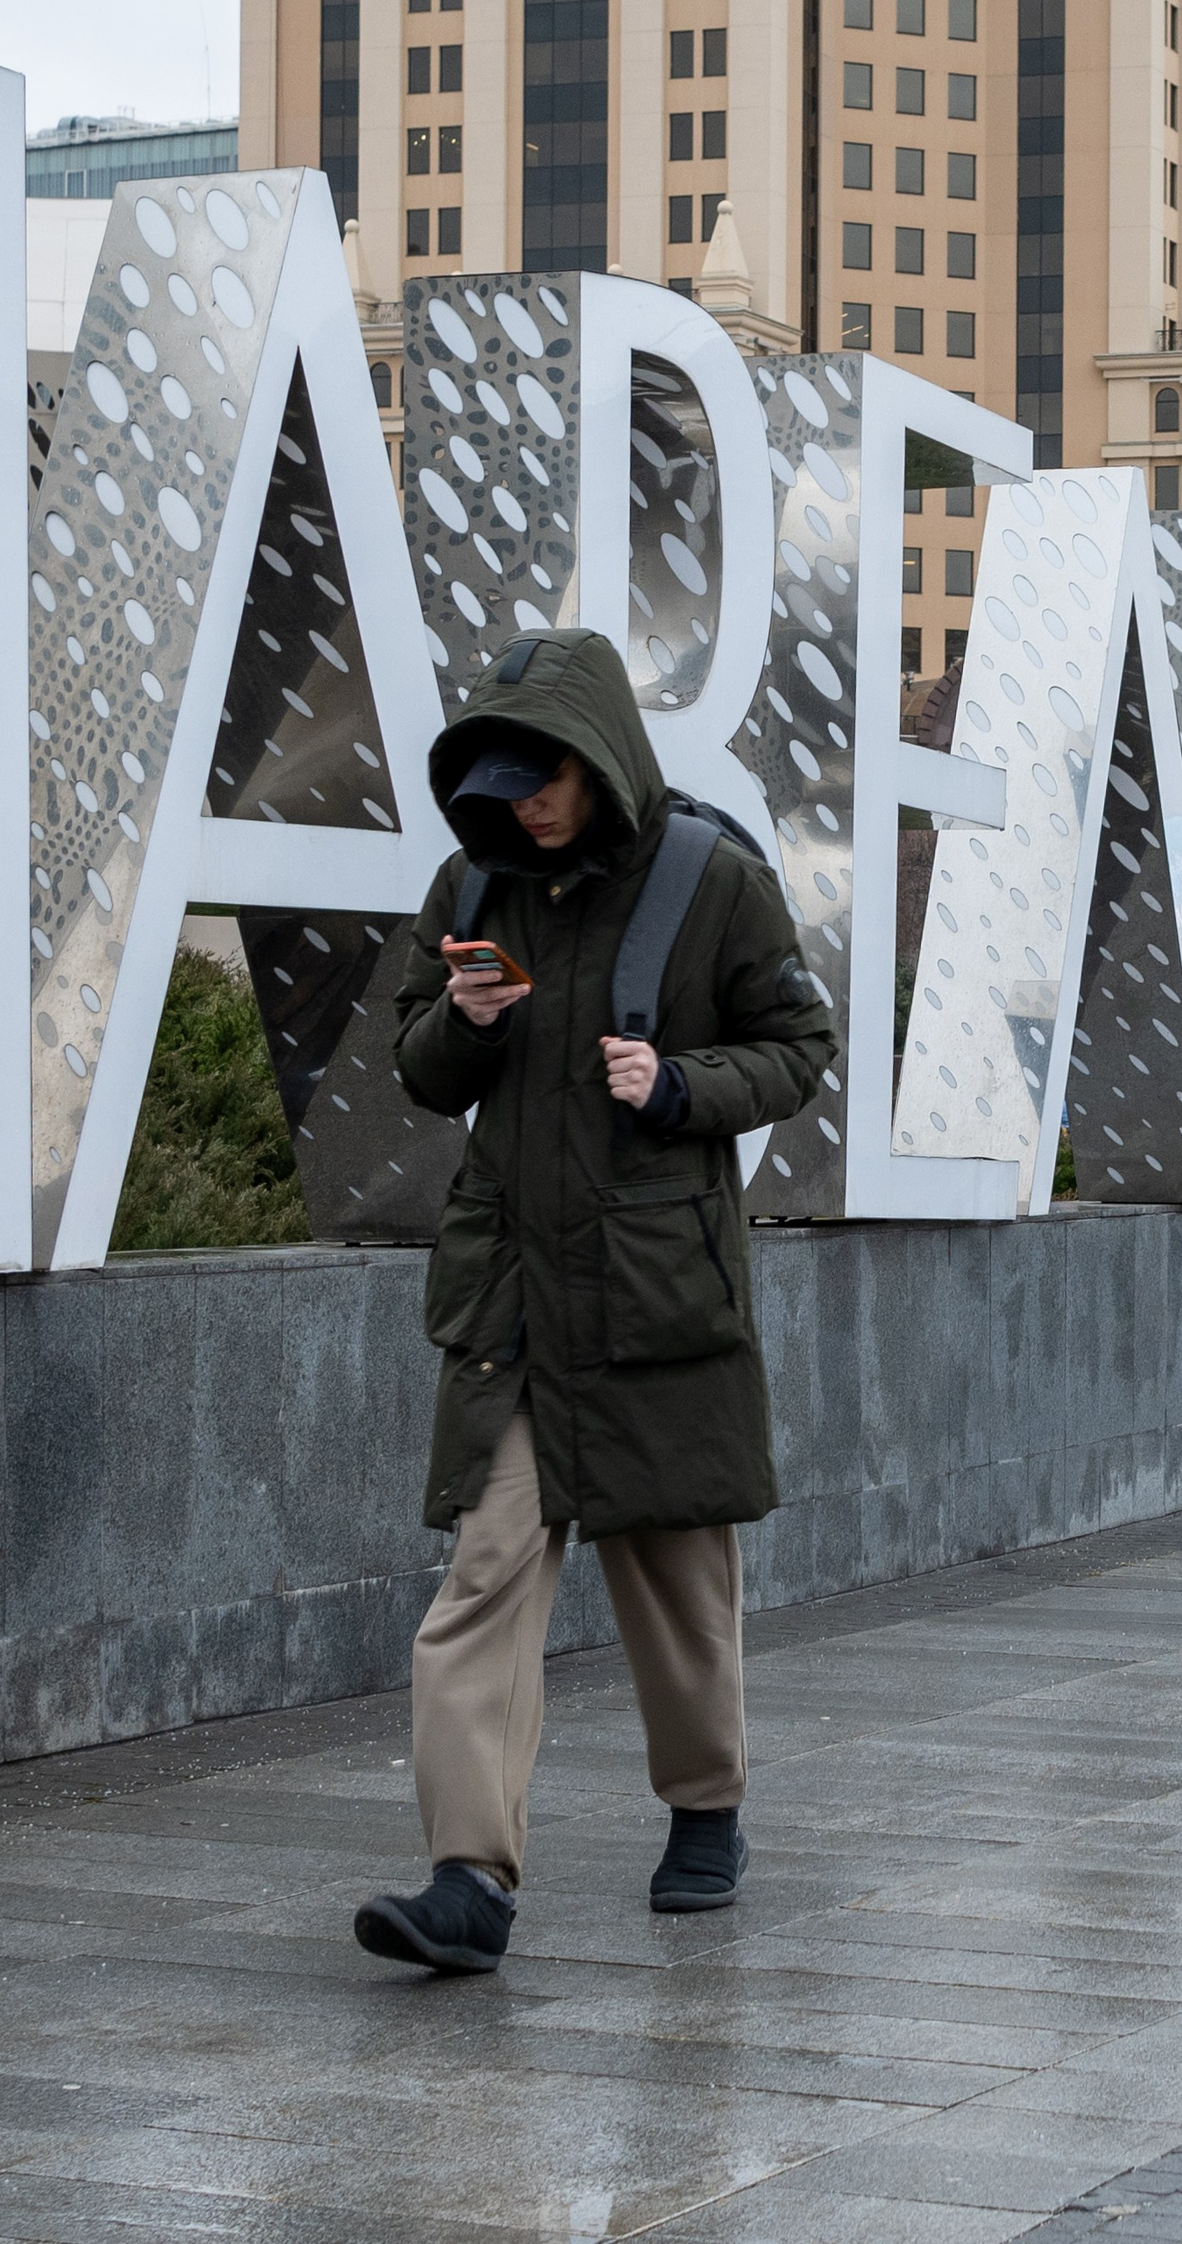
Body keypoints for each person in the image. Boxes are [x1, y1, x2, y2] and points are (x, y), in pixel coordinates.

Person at [352, 628, 838, 1975]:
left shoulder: (712, 880)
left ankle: (706, 1808)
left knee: (677, 1578)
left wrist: (679, 1086)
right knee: (483, 1577)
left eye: (546, 782)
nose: (526, 810)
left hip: (655, 1290)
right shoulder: (471, 884)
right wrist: (466, 1021)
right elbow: (420, 1068)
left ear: (601, 758)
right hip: (514, 1302)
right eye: (504, 789)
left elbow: (800, 1046)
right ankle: (467, 1880)